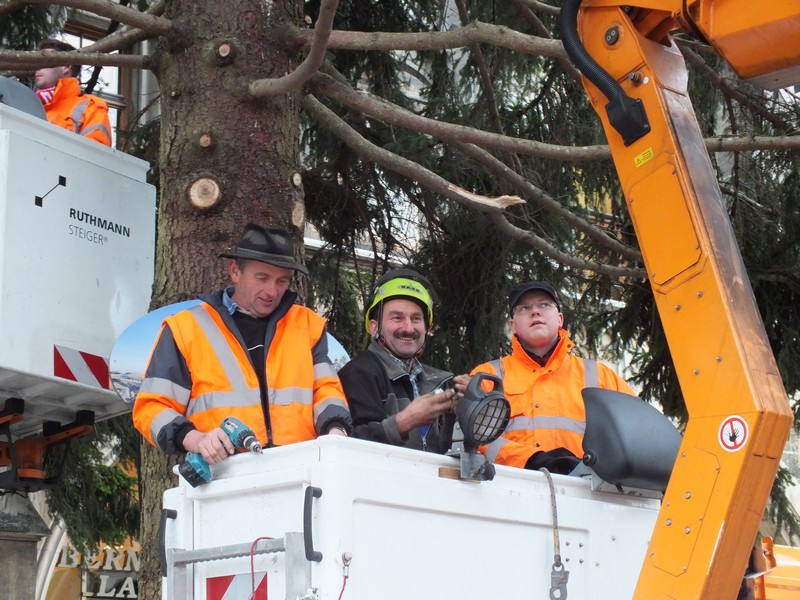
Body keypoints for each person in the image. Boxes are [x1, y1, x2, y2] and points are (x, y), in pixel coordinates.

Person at [133, 223, 352, 466]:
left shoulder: (307, 325)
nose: (272, 291)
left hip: (300, 471)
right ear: (235, 270)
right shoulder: (186, 328)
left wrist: (335, 429)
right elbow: (150, 407)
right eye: (262, 278)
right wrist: (194, 438)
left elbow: (327, 390)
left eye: (282, 281)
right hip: (223, 477)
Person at [471, 280, 635, 474]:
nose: (535, 312)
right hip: (510, 487)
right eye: (524, 308)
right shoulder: (488, 376)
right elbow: (476, 437)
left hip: (587, 494)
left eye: (544, 305)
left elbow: (634, 433)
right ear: (513, 325)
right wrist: (531, 459)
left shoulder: (600, 376)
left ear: (559, 319)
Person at [338, 268, 466, 453]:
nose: (408, 328)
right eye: (397, 318)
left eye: (416, 319)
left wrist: (461, 413)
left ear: (426, 327)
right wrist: (405, 422)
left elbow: (446, 454)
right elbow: (352, 446)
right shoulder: (359, 373)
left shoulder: (438, 381)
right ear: (374, 328)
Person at [34, 38, 112, 146]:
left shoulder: (90, 107)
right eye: (37, 62)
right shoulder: (29, 105)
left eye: (46, 61)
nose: (37, 67)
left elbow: (94, 155)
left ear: (65, 67)